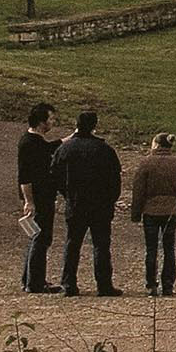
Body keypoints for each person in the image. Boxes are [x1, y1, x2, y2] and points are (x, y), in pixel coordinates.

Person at [49, 106, 123, 297]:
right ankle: (104, 284)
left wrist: (67, 194)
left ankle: (69, 283)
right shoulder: (104, 150)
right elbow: (115, 179)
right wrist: (110, 200)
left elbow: (54, 175)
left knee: (72, 244)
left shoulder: (65, 149)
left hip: (76, 203)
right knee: (101, 245)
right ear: (94, 126)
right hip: (100, 205)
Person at [130, 131, 176, 297]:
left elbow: (138, 191)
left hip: (150, 211)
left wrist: (136, 213)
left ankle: (151, 285)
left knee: (151, 249)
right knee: (169, 248)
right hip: (171, 211)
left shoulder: (146, 163)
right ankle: (168, 285)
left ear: (155, 144)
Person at [15, 102, 59, 294]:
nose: (53, 122)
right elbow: (24, 177)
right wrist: (29, 201)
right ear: (42, 122)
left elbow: (49, 148)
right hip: (39, 198)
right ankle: (35, 282)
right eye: (51, 118)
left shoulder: (34, 141)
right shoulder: (30, 143)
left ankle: (30, 278)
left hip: (41, 197)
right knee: (42, 238)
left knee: (37, 237)